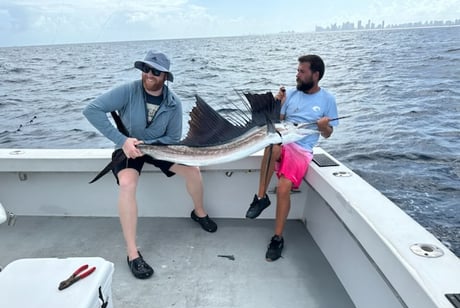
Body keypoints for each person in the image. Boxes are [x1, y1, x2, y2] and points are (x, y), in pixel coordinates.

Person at [83, 50, 217, 279]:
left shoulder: (173, 103)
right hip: (127, 146)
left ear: (165, 76)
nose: (149, 74)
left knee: (193, 171)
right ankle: (133, 253)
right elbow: (92, 110)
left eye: (156, 71)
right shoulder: (128, 90)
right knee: (126, 184)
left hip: (157, 148)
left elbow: (173, 139)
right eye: (146, 69)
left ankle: (199, 212)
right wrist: (122, 141)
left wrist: (150, 146)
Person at [245, 54, 338, 262]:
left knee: (284, 187)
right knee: (273, 145)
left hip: (303, 148)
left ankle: (277, 238)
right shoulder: (292, 94)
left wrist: (324, 127)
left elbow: (328, 133)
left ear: (316, 75)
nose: (297, 75)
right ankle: (260, 198)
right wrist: (278, 102)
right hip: (283, 139)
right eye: (297, 70)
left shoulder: (328, 100)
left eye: (301, 71)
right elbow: (277, 121)